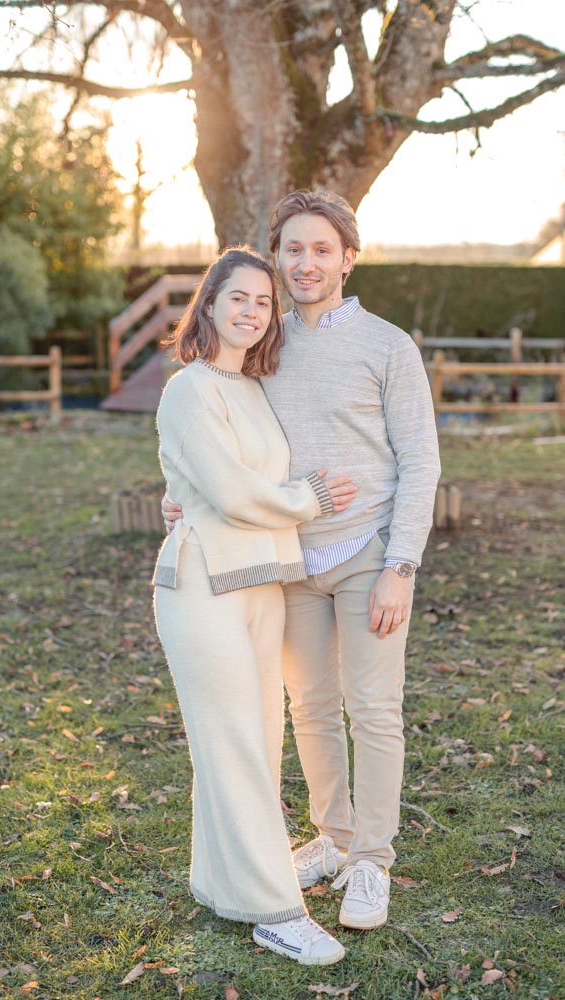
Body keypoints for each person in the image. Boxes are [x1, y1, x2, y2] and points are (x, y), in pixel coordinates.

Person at [163, 191, 441, 931]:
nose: (305, 262)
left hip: (367, 553)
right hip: (290, 559)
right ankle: (334, 837)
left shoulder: (388, 346)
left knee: (372, 710)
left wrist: (401, 566)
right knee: (309, 708)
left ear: (347, 259)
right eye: (293, 249)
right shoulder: (265, 343)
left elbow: (420, 462)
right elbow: (222, 432)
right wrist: (184, 492)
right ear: (278, 257)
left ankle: (371, 860)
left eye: (321, 249)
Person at [152, 245, 357, 966]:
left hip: (263, 581)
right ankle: (276, 911)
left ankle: (220, 883)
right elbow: (234, 491)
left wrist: (181, 493)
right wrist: (307, 499)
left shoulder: (252, 388)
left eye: (264, 302)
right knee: (233, 742)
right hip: (202, 586)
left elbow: (213, 480)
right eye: (237, 296)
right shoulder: (187, 389)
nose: (251, 310)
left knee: (255, 744)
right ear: (208, 304)